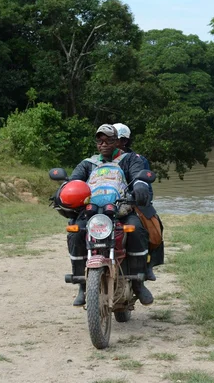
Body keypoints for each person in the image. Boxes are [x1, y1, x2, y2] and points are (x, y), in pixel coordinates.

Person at [66, 124, 153, 307]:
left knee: (137, 229)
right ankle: (82, 285)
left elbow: (138, 175)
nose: (104, 144)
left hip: (121, 211)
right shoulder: (88, 163)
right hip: (92, 212)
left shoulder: (129, 159)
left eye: (109, 140)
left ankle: (138, 283)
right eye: (100, 140)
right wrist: (64, 191)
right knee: (75, 232)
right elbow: (74, 180)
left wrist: (139, 185)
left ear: (117, 142)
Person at [113, 123, 164, 282]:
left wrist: (140, 194)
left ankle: (148, 265)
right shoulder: (98, 160)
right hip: (107, 203)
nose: (111, 143)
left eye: (117, 139)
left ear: (124, 141)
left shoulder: (137, 160)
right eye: (109, 139)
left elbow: (145, 184)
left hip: (132, 202)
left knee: (155, 227)